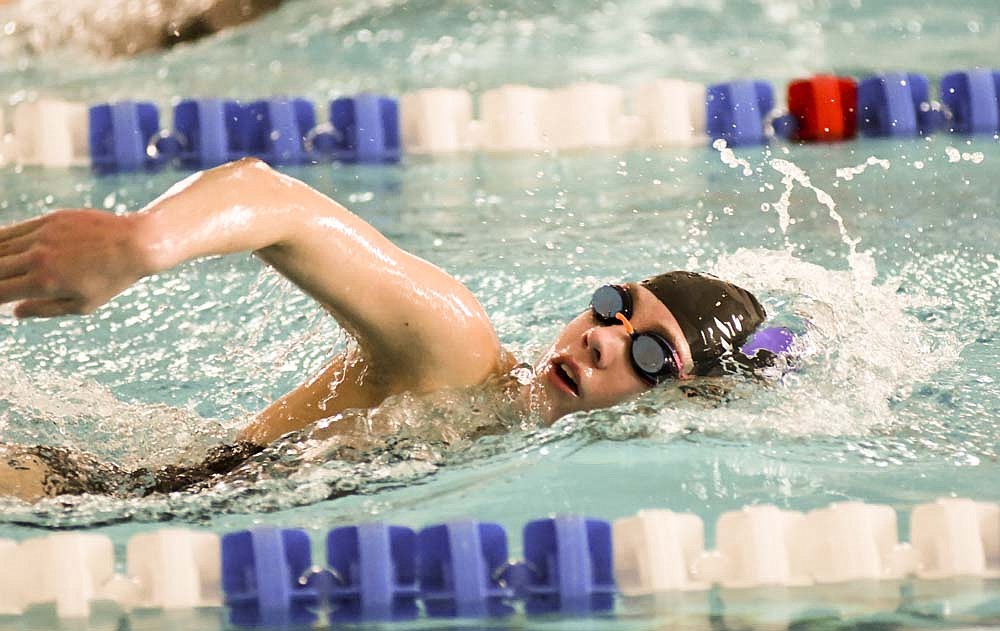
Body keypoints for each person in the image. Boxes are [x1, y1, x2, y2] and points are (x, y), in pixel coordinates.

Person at [0, 158, 767, 501]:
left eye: (647, 353)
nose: (602, 337)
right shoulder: (459, 349)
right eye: (613, 306)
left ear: (686, 402)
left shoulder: (512, 443)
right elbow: (276, 200)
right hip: (100, 493)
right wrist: (142, 243)